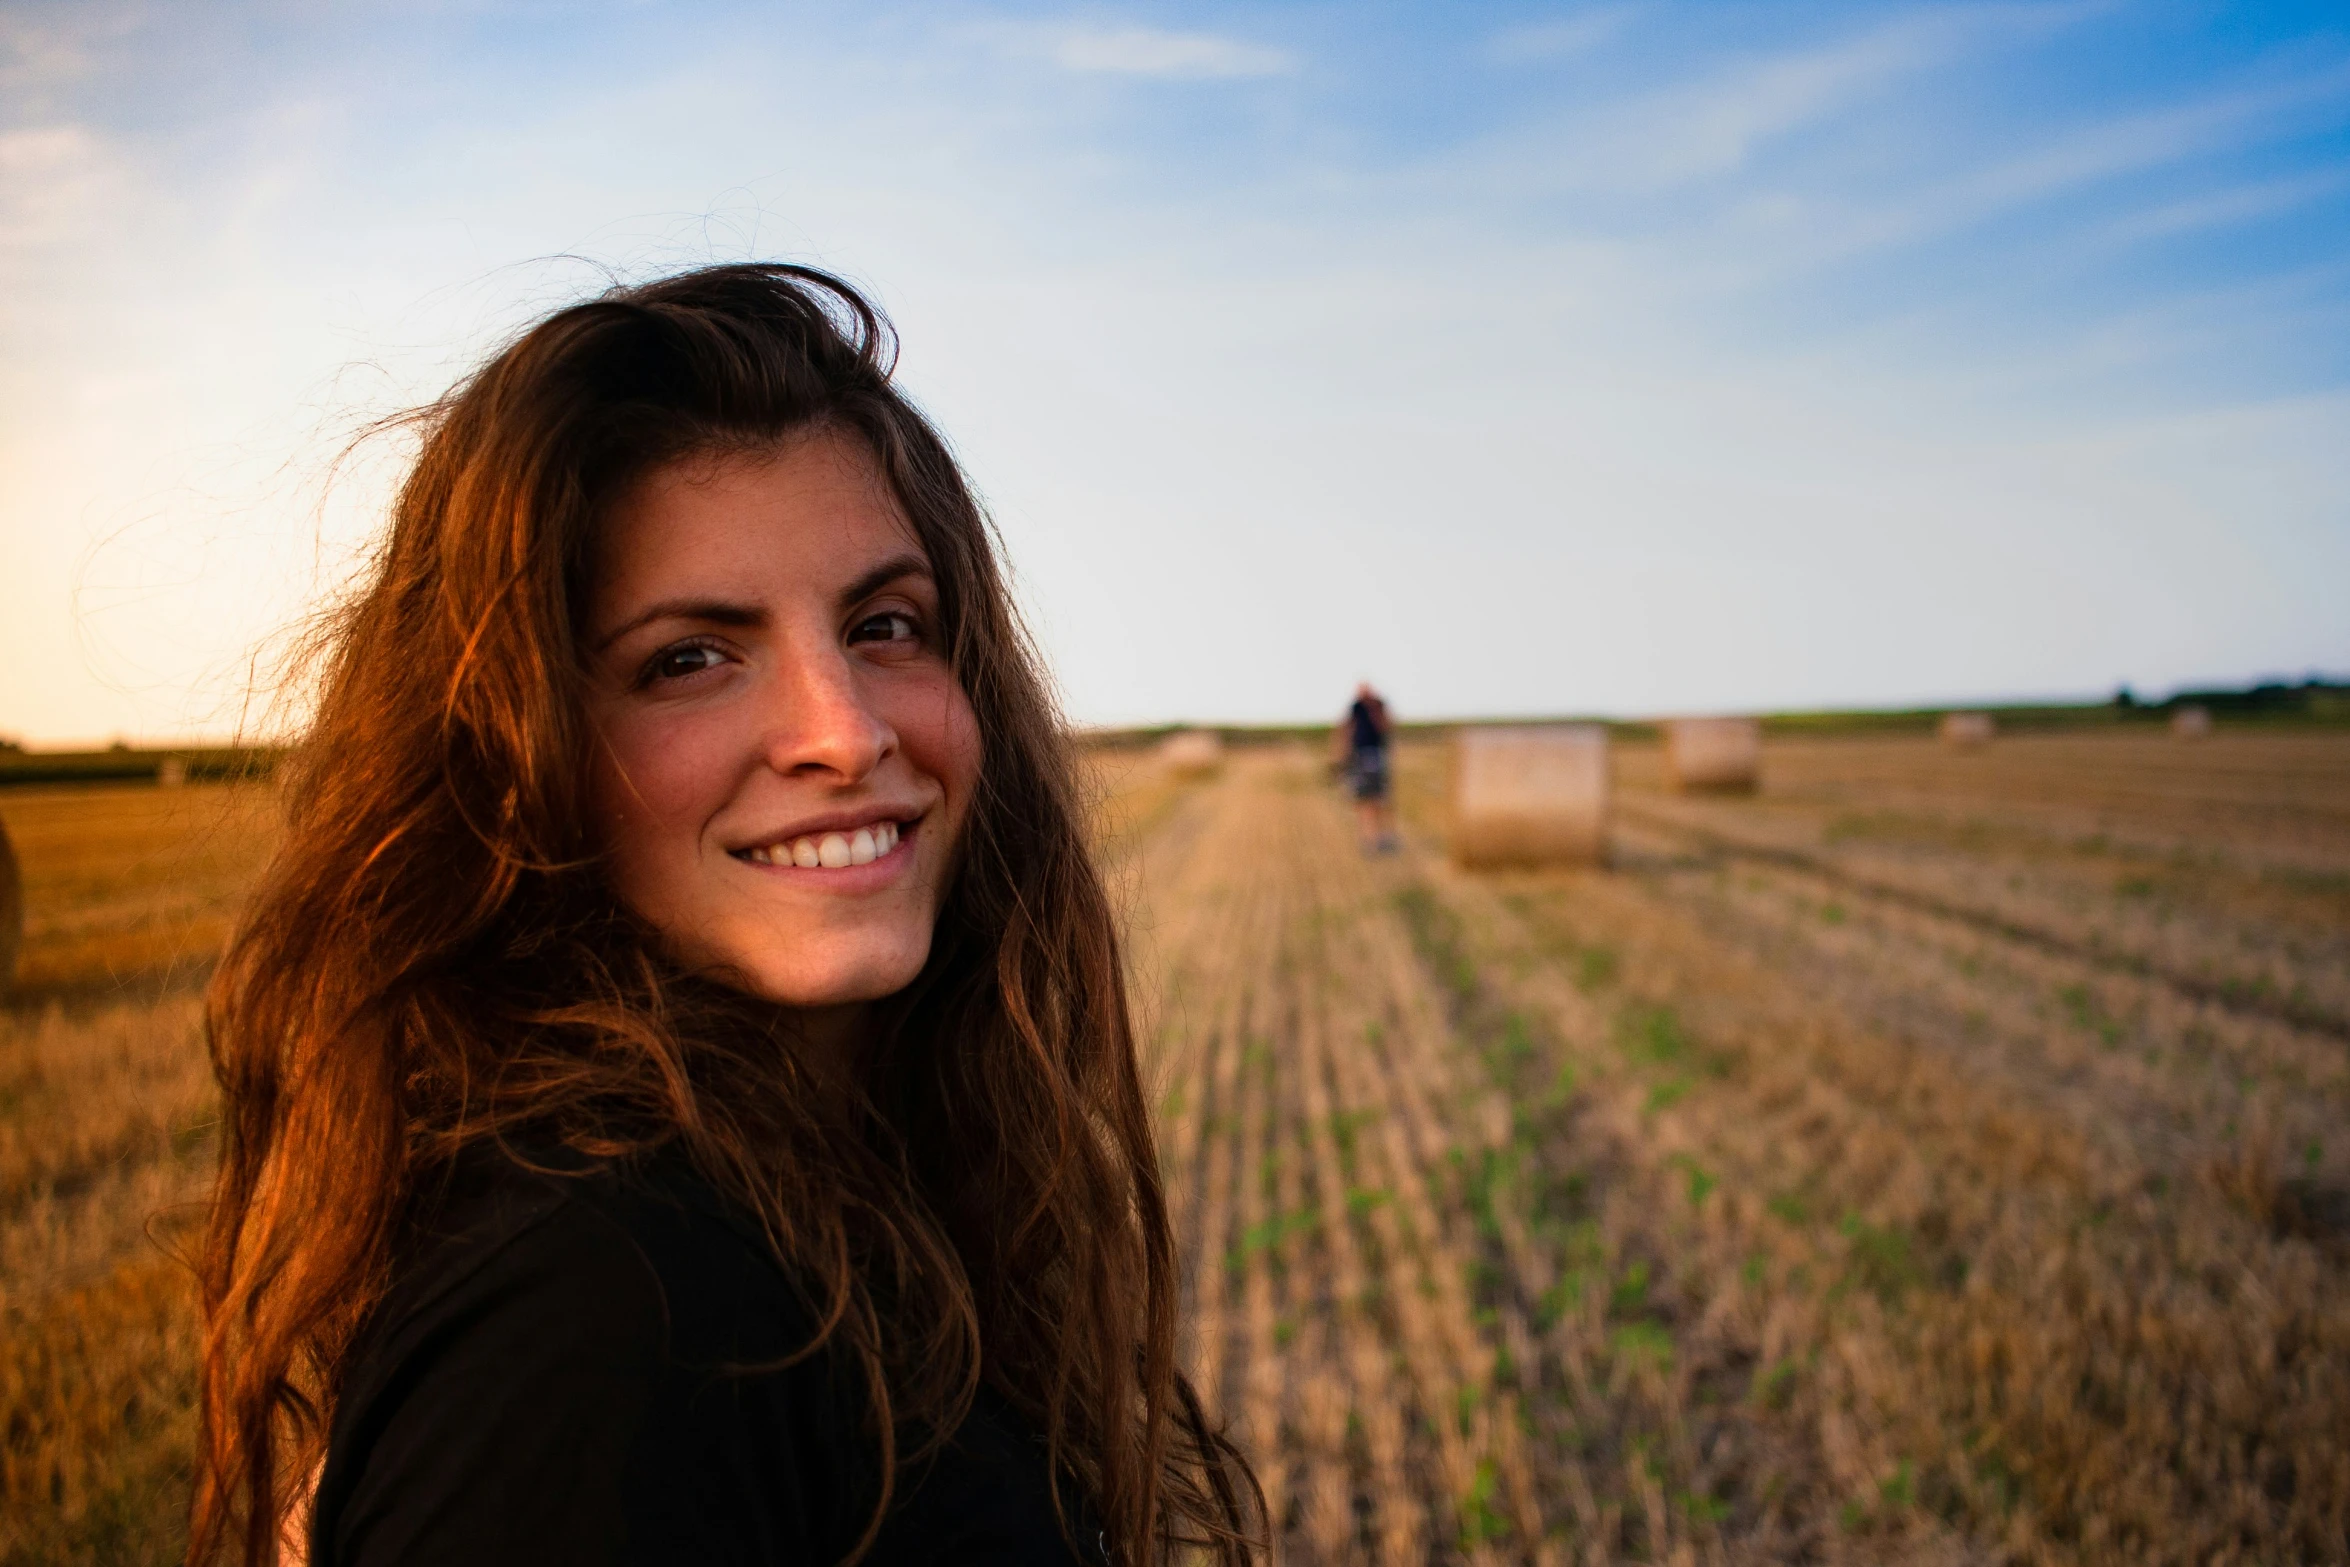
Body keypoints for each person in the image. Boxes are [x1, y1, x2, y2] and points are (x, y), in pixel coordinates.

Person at [190, 265, 1262, 1566]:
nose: (846, 730)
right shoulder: (605, 1307)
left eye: (884, 623)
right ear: (520, 756)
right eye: (689, 657)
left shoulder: (833, 1194)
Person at [1338, 682, 1397, 853]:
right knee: (1364, 799)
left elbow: (1386, 728)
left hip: (1377, 755)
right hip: (1360, 757)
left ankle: (1381, 837)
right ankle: (1369, 839)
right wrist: (1343, 757)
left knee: (1380, 799)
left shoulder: (1378, 706)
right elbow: (1346, 730)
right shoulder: (1355, 708)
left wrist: (1373, 708)